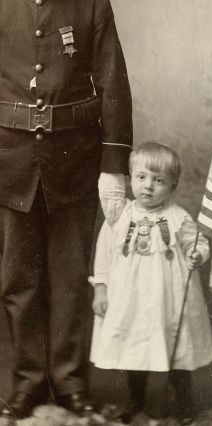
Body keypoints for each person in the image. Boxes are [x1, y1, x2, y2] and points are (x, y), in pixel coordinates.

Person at [0, 0, 132, 420]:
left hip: (75, 160)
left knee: (71, 278)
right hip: (10, 160)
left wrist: (113, 167)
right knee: (19, 280)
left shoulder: (91, 3)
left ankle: (71, 383)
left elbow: (112, 80)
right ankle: (28, 382)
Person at [89, 142, 212, 424]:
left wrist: (197, 253)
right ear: (131, 178)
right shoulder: (120, 217)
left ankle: (183, 401)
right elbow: (104, 255)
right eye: (142, 178)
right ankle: (136, 401)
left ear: (172, 187)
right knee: (135, 345)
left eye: (158, 181)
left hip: (167, 296)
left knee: (175, 343)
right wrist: (101, 288)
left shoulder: (178, 217)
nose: (148, 186)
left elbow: (196, 243)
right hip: (131, 297)